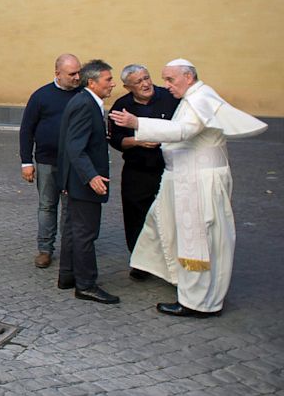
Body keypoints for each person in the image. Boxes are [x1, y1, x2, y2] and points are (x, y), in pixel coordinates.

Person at [110, 59, 266, 317]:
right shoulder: (193, 96)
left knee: (199, 241)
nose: (165, 85)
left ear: (188, 77)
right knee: (161, 225)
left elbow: (184, 130)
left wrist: (138, 124)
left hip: (197, 182)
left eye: (170, 80)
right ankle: (182, 282)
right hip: (186, 178)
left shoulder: (199, 98)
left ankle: (198, 302)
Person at [108, 64, 179, 279]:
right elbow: (116, 140)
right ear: (128, 87)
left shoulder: (170, 98)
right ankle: (140, 262)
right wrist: (137, 141)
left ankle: (171, 262)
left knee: (170, 214)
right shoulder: (121, 106)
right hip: (137, 169)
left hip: (169, 166)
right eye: (138, 82)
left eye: (147, 78)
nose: (146, 84)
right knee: (136, 216)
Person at [56, 59, 119, 304]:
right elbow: (75, 146)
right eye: (108, 79)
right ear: (92, 82)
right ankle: (86, 284)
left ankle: (68, 275)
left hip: (77, 180)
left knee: (74, 229)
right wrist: (91, 176)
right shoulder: (85, 104)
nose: (113, 84)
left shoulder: (85, 101)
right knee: (85, 233)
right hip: (83, 182)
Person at [19, 54, 82, 268]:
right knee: (47, 206)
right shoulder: (41, 96)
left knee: (70, 208)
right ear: (57, 74)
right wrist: (26, 162)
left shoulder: (82, 95)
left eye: (78, 72)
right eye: (72, 74)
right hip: (47, 161)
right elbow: (27, 129)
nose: (77, 77)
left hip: (74, 163)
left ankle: (69, 250)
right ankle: (45, 249)